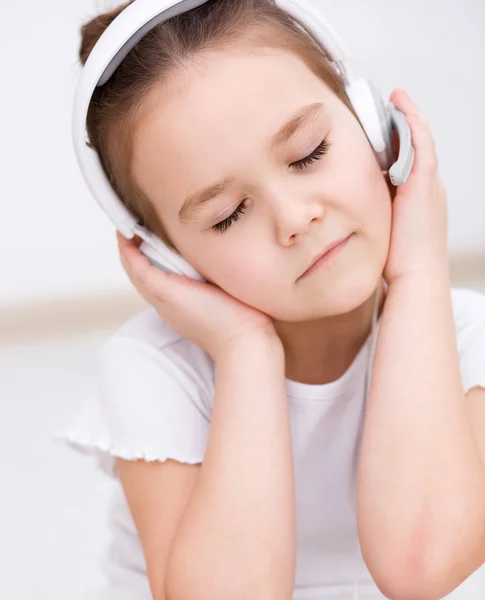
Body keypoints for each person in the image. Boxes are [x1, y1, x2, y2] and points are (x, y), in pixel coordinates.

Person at [58, 1, 485, 599]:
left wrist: (419, 271)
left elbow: (419, 567)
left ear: (375, 125)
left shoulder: (467, 338)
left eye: (309, 153)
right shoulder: (158, 370)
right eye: (227, 215)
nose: (295, 219)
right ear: (170, 259)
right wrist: (245, 352)